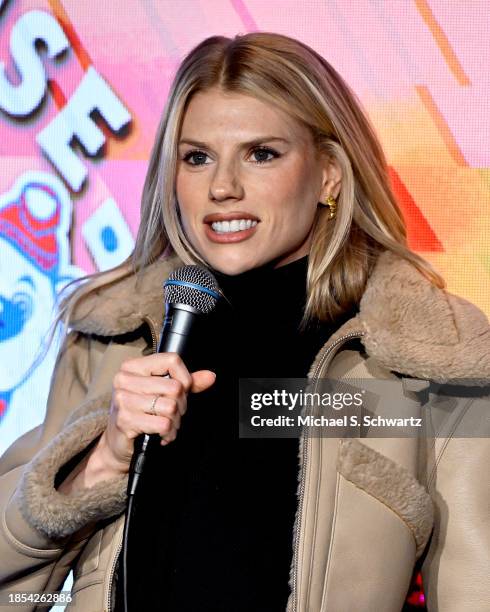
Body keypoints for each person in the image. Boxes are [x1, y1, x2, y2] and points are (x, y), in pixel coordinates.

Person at [0, 32, 489, 612]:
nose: (223, 188)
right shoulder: (112, 338)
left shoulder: (428, 357)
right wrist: (98, 464)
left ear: (330, 174)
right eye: (197, 157)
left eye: (262, 154)